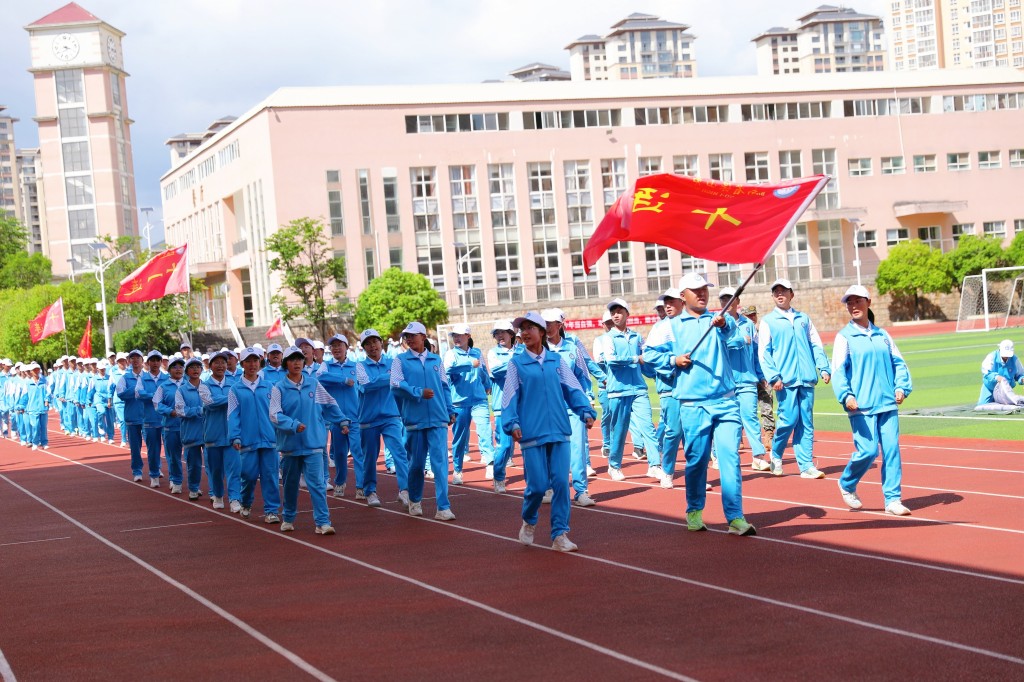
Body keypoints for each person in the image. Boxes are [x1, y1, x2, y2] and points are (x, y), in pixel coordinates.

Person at [646, 274, 756, 536]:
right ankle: (694, 509)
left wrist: (724, 325)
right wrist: (673, 360)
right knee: (697, 460)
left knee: (730, 457)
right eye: (695, 290)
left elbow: (735, 336)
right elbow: (648, 354)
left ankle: (735, 516)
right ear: (683, 296)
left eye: (704, 289)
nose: (702, 294)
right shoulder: (669, 327)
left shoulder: (718, 319)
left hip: (725, 400)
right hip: (692, 404)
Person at [503, 311, 596, 552]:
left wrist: (585, 410)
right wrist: (512, 423)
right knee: (537, 486)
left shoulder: (556, 361)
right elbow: (509, 397)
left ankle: (559, 534)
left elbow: (573, 388)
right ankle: (529, 520)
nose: (524, 333)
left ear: (542, 332)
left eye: (530, 328)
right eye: (522, 329)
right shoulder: (516, 364)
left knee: (561, 484)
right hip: (532, 433)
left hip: (559, 430)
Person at [831, 285, 914, 516]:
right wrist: (846, 395)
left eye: (858, 301)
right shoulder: (844, 337)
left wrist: (901, 387)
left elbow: (899, 363)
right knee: (868, 452)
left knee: (891, 451)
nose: (853, 306)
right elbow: (838, 370)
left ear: (868, 302)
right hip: (861, 405)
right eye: (849, 302)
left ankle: (893, 499)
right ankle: (847, 483)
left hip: (887, 403)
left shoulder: (882, 335)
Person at [757, 278, 831, 479]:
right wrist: (773, 377)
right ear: (773, 296)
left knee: (806, 422)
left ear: (792, 294)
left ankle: (806, 466)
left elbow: (816, 344)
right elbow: (764, 352)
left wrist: (823, 367)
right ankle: (776, 454)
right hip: (784, 381)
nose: (780, 294)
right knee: (789, 420)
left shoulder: (803, 319)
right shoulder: (768, 321)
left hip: (806, 378)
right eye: (776, 292)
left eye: (784, 291)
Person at [269, 345, 345, 534]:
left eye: (299, 359)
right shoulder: (279, 388)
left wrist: (342, 420)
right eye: (292, 360)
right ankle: (288, 518)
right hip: (290, 446)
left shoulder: (313, 384)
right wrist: (293, 425)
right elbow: (274, 415)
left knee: (317, 485)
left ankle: (323, 522)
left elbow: (329, 404)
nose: (297, 363)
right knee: (290, 486)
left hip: (313, 444)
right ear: (286, 364)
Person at [391, 321, 457, 520]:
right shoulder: (400, 360)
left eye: (413, 335)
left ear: (423, 337)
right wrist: (417, 392)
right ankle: (415, 499)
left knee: (440, 464)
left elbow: (444, 386)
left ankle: (443, 507)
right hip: (415, 421)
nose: (409, 339)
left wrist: (450, 409)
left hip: (438, 418)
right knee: (417, 465)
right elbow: (395, 385)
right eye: (407, 336)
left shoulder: (436, 360)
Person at [542, 308, 602, 507]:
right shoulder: (539, 350)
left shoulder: (572, 348)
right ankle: (550, 488)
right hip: (548, 408)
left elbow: (583, 377)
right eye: (545, 323)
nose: (547, 327)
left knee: (578, 449)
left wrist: (588, 400)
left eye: (551, 323)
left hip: (573, 407)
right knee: (550, 450)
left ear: (560, 325)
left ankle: (581, 491)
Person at [595, 298, 660, 481]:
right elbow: (611, 360)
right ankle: (614, 465)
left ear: (627, 314)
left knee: (648, 427)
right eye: (613, 312)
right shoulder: (607, 338)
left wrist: (657, 373)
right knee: (620, 429)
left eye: (619, 312)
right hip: (618, 390)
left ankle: (655, 465)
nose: (616, 315)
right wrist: (634, 359)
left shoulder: (637, 337)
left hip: (639, 389)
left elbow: (646, 359)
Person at [354, 329, 410, 508]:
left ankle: (405, 490)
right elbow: (366, 385)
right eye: (368, 343)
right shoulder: (359, 366)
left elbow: (399, 382)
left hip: (390, 416)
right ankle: (370, 491)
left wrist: (385, 379)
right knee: (369, 458)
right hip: (368, 419)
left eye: (375, 342)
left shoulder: (393, 362)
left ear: (381, 343)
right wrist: (389, 377)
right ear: (364, 347)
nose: (372, 346)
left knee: (399, 452)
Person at [719, 288, 771, 472]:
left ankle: (758, 457)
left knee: (750, 417)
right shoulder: (717, 323)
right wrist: (741, 340)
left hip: (748, 379)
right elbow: (720, 346)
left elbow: (755, 352)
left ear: (737, 301)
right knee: (728, 421)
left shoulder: (748, 323)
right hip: (726, 382)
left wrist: (761, 375)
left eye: (729, 298)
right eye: (723, 298)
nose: (726, 301)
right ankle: (722, 455)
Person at [228, 347, 282, 522]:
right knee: (248, 476)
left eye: (255, 361)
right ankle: (246, 502)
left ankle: (271, 510)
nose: (252, 365)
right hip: (247, 440)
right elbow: (233, 415)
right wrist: (235, 436)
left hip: (269, 439)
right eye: (248, 361)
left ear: (260, 362)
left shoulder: (269, 386)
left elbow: (277, 412)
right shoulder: (235, 389)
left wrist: (280, 432)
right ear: (242, 364)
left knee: (270, 476)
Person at [644, 289, 686, 488]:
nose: (668, 306)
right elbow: (649, 356)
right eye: (665, 302)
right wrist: (672, 361)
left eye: (672, 301)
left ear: (682, 302)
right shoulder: (660, 328)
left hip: (693, 388)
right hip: (669, 388)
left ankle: (696, 476)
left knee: (693, 434)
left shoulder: (692, 324)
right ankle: (668, 470)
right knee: (674, 431)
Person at [444, 324, 493, 484]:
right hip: (459, 402)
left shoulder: (477, 352)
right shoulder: (450, 354)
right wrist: (469, 364)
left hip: (479, 399)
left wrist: (487, 385)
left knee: (485, 430)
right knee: (460, 438)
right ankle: (457, 469)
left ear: (468, 336)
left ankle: (490, 463)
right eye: (454, 335)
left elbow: (483, 371)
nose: (457, 338)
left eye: (460, 335)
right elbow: (448, 370)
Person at [318, 333, 365, 500]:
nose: (336, 348)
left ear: (346, 347)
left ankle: (361, 486)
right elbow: (320, 377)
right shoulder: (326, 365)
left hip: (354, 417)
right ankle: (340, 481)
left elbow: (363, 384)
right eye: (333, 346)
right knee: (339, 453)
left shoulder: (356, 365)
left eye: (340, 345)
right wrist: (343, 379)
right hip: (336, 418)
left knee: (358, 452)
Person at [199, 350, 239, 511]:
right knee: (215, 470)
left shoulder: (234, 383)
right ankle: (218, 495)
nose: (221, 365)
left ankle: (235, 498)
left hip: (231, 434)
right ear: (210, 365)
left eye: (223, 362)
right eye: (217, 363)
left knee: (234, 469)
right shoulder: (204, 385)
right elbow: (210, 402)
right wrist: (231, 399)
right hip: (213, 434)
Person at [487, 320, 517, 493]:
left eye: (502, 332)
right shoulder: (493, 353)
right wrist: (517, 362)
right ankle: (498, 476)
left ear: (511, 334)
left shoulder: (522, 351)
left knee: (530, 446)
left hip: (523, 405)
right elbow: (496, 371)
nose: (499, 336)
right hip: (503, 406)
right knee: (505, 445)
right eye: (496, 333)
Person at [743, 306, 775, 454]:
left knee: (767, 404)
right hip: (746, 374)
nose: (752, 318)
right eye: (748, 316)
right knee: (742, 408)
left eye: (753, 315)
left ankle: (769, 435)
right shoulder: (740, 331)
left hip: (762, 373)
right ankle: (739, 437)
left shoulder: (763, 331)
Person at [174, 358, 207, 500]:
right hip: (190, 433)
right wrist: (199, 410)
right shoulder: (181, 390)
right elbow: (181, 410)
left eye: (198, 367)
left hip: (208, 432)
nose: (195, 370)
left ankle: (214, 493)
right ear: (187, 371)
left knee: (212, 464)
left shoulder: (207, 387)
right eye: (192, 367)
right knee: (194, 465)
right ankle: (193, 488)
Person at [154, 357, 186, 494]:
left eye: (180, 367)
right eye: (174, 367)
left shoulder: (190, 384)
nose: (178, 369)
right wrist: (170, 411)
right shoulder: (163, 386)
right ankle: (176, 480)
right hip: (171, 426)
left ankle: (194, 486)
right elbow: (157, 403)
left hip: (189, 426)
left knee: (192, 457)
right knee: (173, 456)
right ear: (169, 370)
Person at [116, 350, 149, 482]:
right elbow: (121, 394)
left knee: (152, 445)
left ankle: (155, 468)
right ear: (129, 361)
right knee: (135, 447)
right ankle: (137, 470)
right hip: (132, 416)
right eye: (132, 358)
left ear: (142, 361)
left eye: (138, 358)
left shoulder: (148, 377)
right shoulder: (125, 378)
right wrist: (137, 389)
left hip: (147, 417)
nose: (135, 360)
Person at [136, 351, 167, 487]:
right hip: (150, 419)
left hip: (166, 419)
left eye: (157, 360)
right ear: (148, 363)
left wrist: (152, 395)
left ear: (161, 362)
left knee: (171, 451)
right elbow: (139, 394)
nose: (155, 363)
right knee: (153, 450)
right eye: (152, 360)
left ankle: (174, 478)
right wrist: (156, 395)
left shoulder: (166, 378)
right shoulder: (142, 379)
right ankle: (154, 475)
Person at [975, 339, 1024, 411]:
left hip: (1005, 390)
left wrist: (1022, 379)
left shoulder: (1015, 359)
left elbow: (1020, 375)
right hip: (990, 387)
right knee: (982, 405)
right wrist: (996, 377)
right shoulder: (991, 357)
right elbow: (986, 373)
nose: (1006, 356)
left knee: (1012, 404)